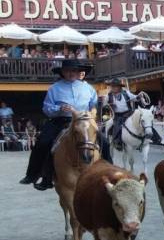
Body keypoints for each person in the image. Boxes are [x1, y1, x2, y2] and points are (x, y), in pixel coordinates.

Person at [20, 59, 98, 190]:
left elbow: (93, 105)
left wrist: (93, 116)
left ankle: (108, 169)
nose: (71, 73)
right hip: (61, 120)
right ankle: (36, 175)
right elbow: (46, 108)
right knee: (43, 142)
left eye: (74, 70)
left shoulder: (89, 88)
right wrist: (59, 108)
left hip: (83, 121)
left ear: (79, 72)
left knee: (104, 141)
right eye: (67, 71)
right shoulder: (54, 88)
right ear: (62, 72)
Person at [102, 78, 137, 150]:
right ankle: (118, 142)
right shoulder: (108, 96)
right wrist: (105, 118)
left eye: (115, 86)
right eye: (112, 86)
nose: (114, 88)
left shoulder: (126, 93)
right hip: (117, 116)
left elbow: (135, 98)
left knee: (142, 121)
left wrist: (139, 97)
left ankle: (147, 138)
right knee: (117, 126)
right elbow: (105, 107)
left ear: (119, 87)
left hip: (128, 114)